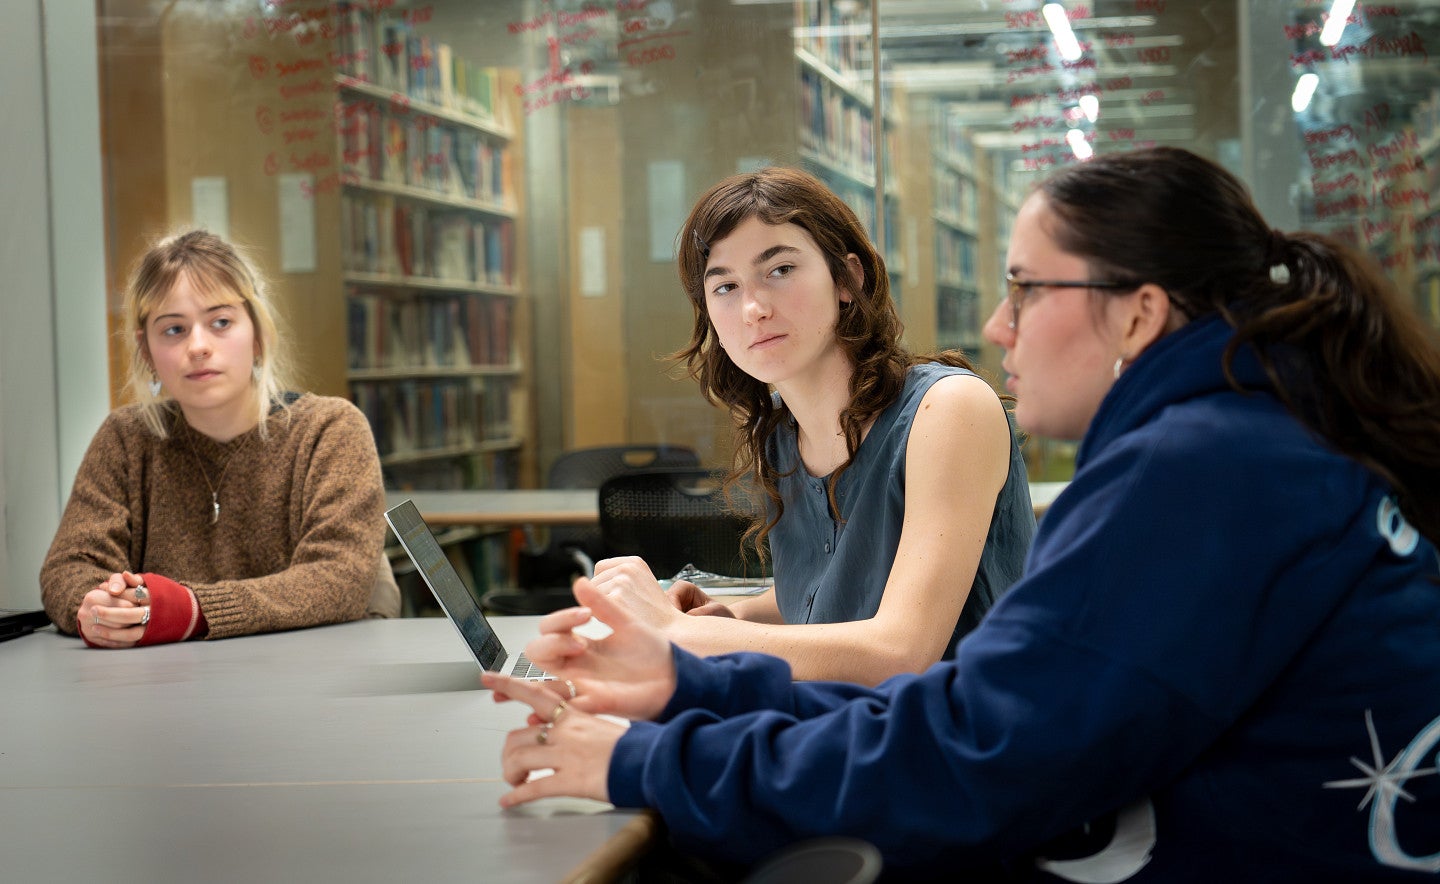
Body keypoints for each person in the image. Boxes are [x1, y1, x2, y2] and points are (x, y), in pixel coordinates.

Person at [484, 147, 1440, 880]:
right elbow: (984, 720)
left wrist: (654, 757)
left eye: (1026, 287)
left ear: (1141, 315)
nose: (996, 324)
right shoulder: (1236, 438)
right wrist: (693, 691)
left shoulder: (1209, 469)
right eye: (723, 287)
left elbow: (968, 752)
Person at [591, 166, 1035, 685]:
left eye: (779, 270)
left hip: (966, 739)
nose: (753, 308)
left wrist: (678, 634)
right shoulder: (783, 435)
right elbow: (823, 597)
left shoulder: (950, 409)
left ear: (846, 279)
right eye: (726, 286)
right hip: (853, 727)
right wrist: (733, 617)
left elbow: (899, 652)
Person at [41, 229, 397, 649]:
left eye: (221, 322)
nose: (198, 346)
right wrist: (98, 608)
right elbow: (70, 566)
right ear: (147, 351)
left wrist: (190, 610)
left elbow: (340, 576)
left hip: (308, 684)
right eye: (173, 330)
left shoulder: (329, 430)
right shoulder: (125, 439)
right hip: (163, 693)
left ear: (258, 334)